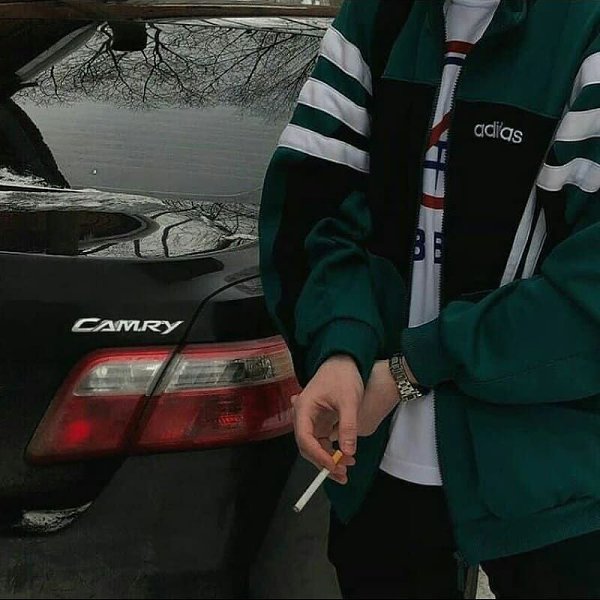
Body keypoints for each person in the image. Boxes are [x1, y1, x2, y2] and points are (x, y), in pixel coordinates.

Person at [259, 0, 600, 598]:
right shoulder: (375, 20)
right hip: (377, 471)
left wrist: (415, 366)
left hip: (550, 487)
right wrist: (338, 348)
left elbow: (587, 292)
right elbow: (313, 214)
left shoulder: (585, 29)